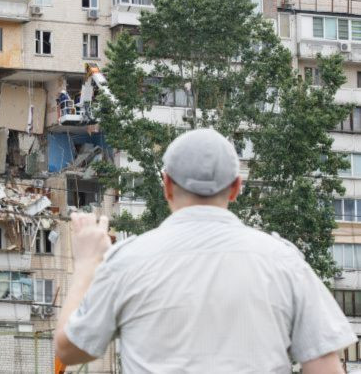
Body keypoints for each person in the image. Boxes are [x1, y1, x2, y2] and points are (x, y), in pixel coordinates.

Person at [55, 128, 356, 373]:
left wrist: (87, 264)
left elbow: (70, 350)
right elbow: (324, 366)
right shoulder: (284, 262)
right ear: (236, 187)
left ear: (166, 185)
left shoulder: (128, 261)